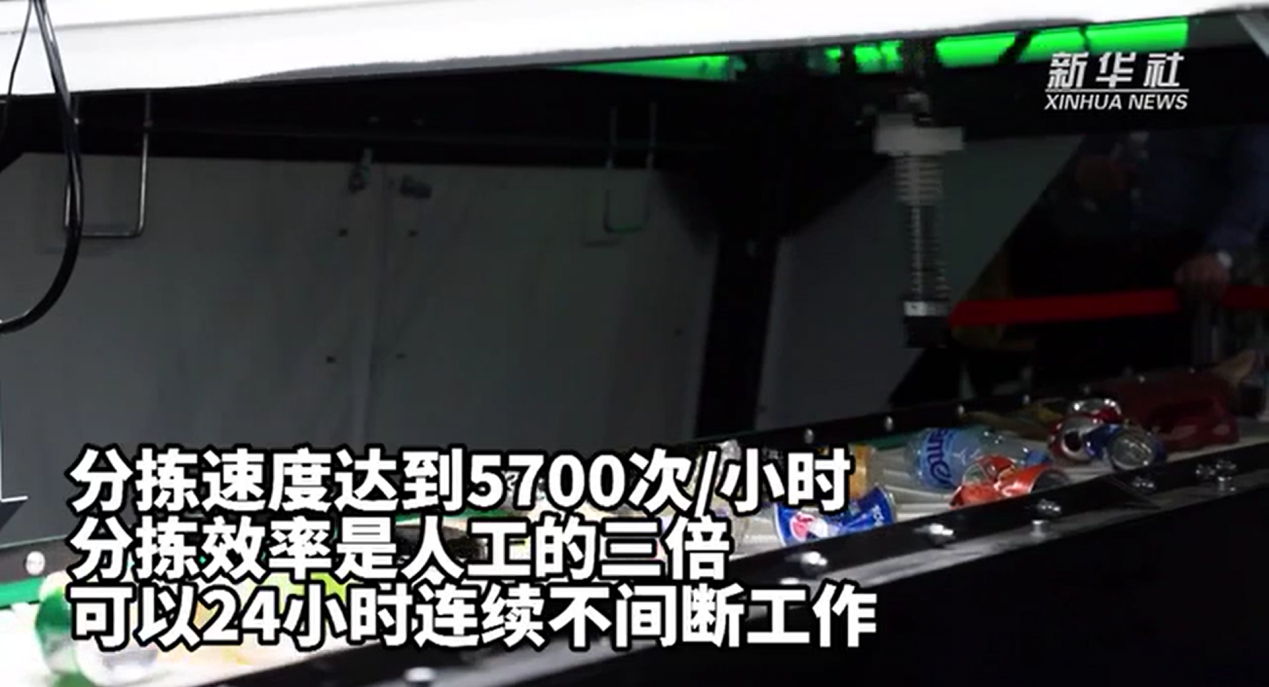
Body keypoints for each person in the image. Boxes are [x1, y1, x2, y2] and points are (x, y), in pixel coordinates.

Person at [1024, 125, 1269, 390]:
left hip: (1180, 264)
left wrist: (1219, 253)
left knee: (1170, 394)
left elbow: (1258, 177)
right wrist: (1076, 170)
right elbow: (1029, 154)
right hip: (1084, 255)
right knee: (1062, 389)